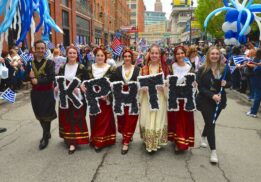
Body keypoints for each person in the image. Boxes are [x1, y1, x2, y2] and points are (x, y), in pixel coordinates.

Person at [196, 46, 231, 163]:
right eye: (212, 54)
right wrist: (212, 95)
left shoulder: (224, 69)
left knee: (211, 122)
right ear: (208, 56)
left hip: (219, 101)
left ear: (220, 55)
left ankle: (203, 136)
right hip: (205, 100)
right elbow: (200, 87)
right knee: (211, 123)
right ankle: (214, 151)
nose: (215, 56)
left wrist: (226, 84)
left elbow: (230, 83)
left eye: (217, 54)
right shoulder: (202, 70)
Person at [56, 46, 89, 154]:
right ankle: (68, 138)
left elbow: (86, 81)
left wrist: (79, 87)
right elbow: (59, 80)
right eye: (70, 53)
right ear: (67, 54)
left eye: (74, 53)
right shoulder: (62, 67)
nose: (72, 55)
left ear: (77, 54)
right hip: (65, 97)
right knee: (66, 117)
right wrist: (56, 86)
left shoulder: (82, 67)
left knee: (76, 118)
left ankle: (74, 142)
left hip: (77, 97)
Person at [85, 47, 116, 152]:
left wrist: (108, 94)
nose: (100, 57)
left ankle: (101, 141)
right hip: (93, 99)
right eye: (98, 55)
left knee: (104, 120)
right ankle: (94, 138)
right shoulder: (90, 68)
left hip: (104, 99)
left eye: (102, 55)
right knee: (94, 119)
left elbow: (114, 84)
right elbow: (85, 81)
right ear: (95, 56)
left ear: (105, 57)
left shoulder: (110, 68)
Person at [27, 40, 57, 150]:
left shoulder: (50, 63)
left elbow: (51, 78)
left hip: (47, 93)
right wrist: (30, 77)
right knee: (39, 114)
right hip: (35, 93)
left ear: (45, 49)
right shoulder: (30, 63)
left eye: (42, 48)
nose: (40, 50)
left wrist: (37, 81)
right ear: (34, 49)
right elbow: (25, 78)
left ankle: (45, 137)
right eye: (38, 48)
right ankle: (47, 132)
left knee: (46, 115)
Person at [139, 44, 169, 152]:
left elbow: (169, 85)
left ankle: (156, 142)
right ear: (149, 54)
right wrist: (142, 88)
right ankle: (148, 141)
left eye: (156, 53)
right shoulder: (143, 69)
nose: (154, 55)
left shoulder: (165, 69)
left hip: (160, 98)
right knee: (148, 118)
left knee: (158, 119)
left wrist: (164, 86)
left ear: (160, 55)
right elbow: (139, 85)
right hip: (147, 99)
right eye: (152, 53)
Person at [111, 49, 140, 155]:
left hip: (133, 99)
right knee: (122, 119)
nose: (127, 58)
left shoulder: (137, 70)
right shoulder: (117, 70)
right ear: (123, 57)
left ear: (132, 58)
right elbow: (112, 83)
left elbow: (140, 83)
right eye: (125, 56)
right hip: (121, 99)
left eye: (129, 56)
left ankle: (126, 141)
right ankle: (126, 135)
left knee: (131, 119)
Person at [168, 45, 196, 153]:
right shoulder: (171, 67)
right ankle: (176, 140)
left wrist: (194, 84)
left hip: (185, 100)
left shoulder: (190, 68)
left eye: (182, 53)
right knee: (175, 120)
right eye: (178, 54)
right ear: (175, 55)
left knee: (184, 121)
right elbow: (168, 81)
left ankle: (181, 143)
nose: (180, 55)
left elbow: (193, 83)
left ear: (185, 54)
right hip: (174, 99)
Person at [247, 48, 261, 118]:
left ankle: (253, 112)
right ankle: (253, 111)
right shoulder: (258, 60)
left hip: (258, 82)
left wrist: (253, 65)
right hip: (258, 81)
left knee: (257, 97)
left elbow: (257, 69)